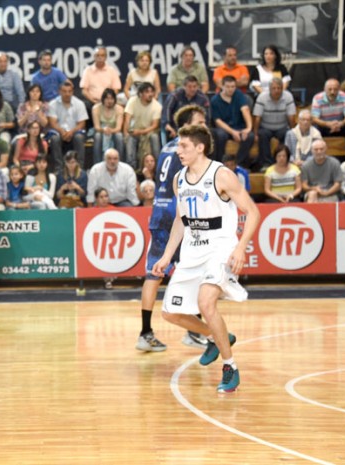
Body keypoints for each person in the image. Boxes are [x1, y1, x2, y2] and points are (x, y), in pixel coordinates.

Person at [152, 124, 261, 393]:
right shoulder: (179, 179)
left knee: (205, 302)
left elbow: (253, 212)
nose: (178, 151)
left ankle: (230, 367)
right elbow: (181, 220)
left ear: (200, 148)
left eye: (184, 146)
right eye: (178, 145)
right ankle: (215, 335)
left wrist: (241, 247)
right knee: (170, 312)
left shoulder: (221, 175)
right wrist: (167, 256)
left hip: (220, 247)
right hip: (192, 250)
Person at [136, 104, 208, 353]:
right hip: (177, 215)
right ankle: (193, 331)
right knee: (195, 271)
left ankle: (146, 333)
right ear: (188, 125)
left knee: (153, 274)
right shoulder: (188, 150)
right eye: (200, 122)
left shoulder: (168, 147)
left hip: (160, 211)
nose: (205, 126)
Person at [252, 77, 297, 169]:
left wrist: (294, 131)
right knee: (262, 135)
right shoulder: (262, 97)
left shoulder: (288, 96)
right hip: (266, 127)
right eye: (274, 88)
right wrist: (255, 133)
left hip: (282, 126)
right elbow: (257, 117)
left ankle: (284, 162)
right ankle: (266, 164)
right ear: (269, 89)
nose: (276, 90)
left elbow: (291, 117)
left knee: (288, 134)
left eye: (279, 88)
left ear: (282, 88)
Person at [211, 76, 254, 165]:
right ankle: (220, 162)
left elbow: (245, 110)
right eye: (227, 87)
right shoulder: (215, 100)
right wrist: (232, 132)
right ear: (222, 86)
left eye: (233, 87)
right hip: (224, 128)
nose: (230, 89)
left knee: (250, 136)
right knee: (220, 135)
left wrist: (248, 128)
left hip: (239, 126)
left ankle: (238, 163)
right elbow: (218, 121)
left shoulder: (238, 95)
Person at [47, 80, 88, 170]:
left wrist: (71, 132)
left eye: (69, 91)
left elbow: (82, 123)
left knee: (79, 137)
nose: (67, 94)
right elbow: (52, 123)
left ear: (73, 92)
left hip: (75, 131)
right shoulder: (53, 104)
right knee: (54, 139)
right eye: (64, 91)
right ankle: (59, 168)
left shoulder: (79, 104)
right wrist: (62, 131)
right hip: (59, 132)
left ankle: (79, 168)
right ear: (59, 91)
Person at [79, 46, 122, 125]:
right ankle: (90, 129)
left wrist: (107, 100)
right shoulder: (88, 70)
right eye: (97, 55)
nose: (100, 57)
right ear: (94, 57)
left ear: (106, 57)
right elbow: (84, 90)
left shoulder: (111, 70)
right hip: (93, 102)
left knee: (120, 106)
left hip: (109, 101)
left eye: (102, 55)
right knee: (84, 106)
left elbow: (116, 89)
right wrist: (93, 100)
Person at [124, 82, 162, 169]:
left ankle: (158, 166)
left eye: (152, 91)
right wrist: (126, 133)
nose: (150, 94)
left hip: (149, 132)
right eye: (147, 92)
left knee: (154, 137)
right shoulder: (132, 101)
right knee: (130, 139)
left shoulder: (157, 106)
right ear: (140, 94)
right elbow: (127, 120)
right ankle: (131, 168)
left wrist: (141, 132)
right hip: (135, 131)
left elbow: (155, 125)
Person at [162, 75, 210, 141]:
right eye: (189, 87)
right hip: (176, 128)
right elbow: (166, 111)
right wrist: (168, 126)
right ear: (184, 86)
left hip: (197, 129)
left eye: (195, 86)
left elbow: (207, 117)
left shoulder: (203, 98)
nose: (192, 89)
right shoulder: (175, 96)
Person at [92, 88, 125, 165]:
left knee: (119, 136)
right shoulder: (96, 108)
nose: (109, 101)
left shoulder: (119, 109)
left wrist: (110, 130)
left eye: (111, 98)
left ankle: (120, 162)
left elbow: (118, 128)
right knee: (97, 136)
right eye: (107, 98)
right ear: (103, 99)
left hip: (114, 131)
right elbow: (97, 127)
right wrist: (104, 130)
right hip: (101, 130)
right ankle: (97, 163)